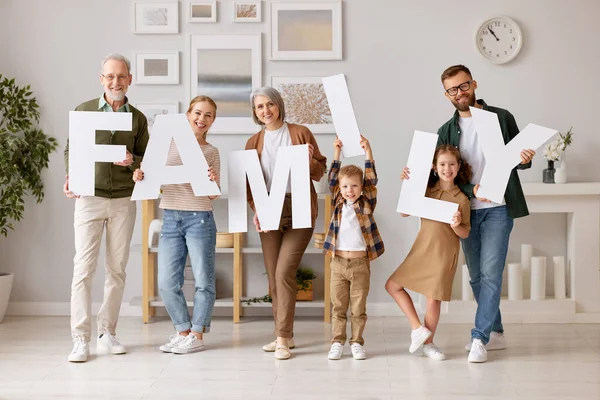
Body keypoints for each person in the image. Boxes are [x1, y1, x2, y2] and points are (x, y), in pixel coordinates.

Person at [436, 64, 535, 363]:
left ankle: (479, 337)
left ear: (474, 84)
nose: (459, 93)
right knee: (477, 276)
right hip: (467, 210)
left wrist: (525, 158)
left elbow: (518, 161)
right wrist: (470, 190)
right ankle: (498, 332)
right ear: (447, 95)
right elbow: (445, 174)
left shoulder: (501, 117)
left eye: (463, 86)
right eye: (452, 89)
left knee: (491, 274)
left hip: (498, 208)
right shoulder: (446, 131)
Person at [63, 53, 149, 363]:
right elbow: (72, 149)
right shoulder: (84, 110)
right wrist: (70, 176)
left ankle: (107, 333)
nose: (116, 82)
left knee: (117, 269)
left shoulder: (137, 118)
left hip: (124, 200)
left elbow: (145, 159)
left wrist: (133, 162)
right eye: (110, 76)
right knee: (83, 269)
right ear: (102, 79)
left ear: (130, 79)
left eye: (121, 76)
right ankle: (80, 338)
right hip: (89, 198)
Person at [132, 96, 220, 354]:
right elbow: (150, 178)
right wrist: (140, 175)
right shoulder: (165, 145)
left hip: (200, 218)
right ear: (188, 115)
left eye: (208, 115)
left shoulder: (212, 152)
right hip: (170, 217)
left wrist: (212, 181)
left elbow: (213, 194)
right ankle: (183, 332)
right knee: (167, 283)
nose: (202, 119)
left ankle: (197, 334)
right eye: (197, 113)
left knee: (204, 280)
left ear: (213, 121)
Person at [245, 87, 327, 360]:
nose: (266, 111)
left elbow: (320, 171)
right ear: (255, 112)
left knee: (284, 273)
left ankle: (281, 337)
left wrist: (309, 161)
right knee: (273, 277)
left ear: (279, 105)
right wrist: (257, 209)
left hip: (300, 207)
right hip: (270, 210)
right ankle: (286, 335)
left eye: (270, 104)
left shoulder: (300, 133)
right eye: (260, 107)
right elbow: (250, 184)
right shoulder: (253, 142)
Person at [387, 145, 471, 361]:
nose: (447, 168)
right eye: (442, 164)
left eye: (452, 163)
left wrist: (456, 225)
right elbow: (405, 212)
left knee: (433, 300)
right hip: (422, 249)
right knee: (393, 285)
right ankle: (418, 329)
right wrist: (407, 183)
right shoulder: (426, 191)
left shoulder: (462, 199)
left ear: (458, 166)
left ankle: (429, 344)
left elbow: (465, 233)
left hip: (444, 253)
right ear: (434, 168)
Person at [323, 136, 384, 361]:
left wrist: (368, 151)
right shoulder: (338, 202)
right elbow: (332, 179)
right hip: (338, 263)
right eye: (346, 186)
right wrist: (337, 153)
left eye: (355, 186)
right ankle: (337, 342)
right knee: (338, 307)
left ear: (361, 188)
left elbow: (371, 179)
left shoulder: (366, 202)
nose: (350, 190)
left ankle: (356, 342)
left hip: (360, 264)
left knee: (358, 308)